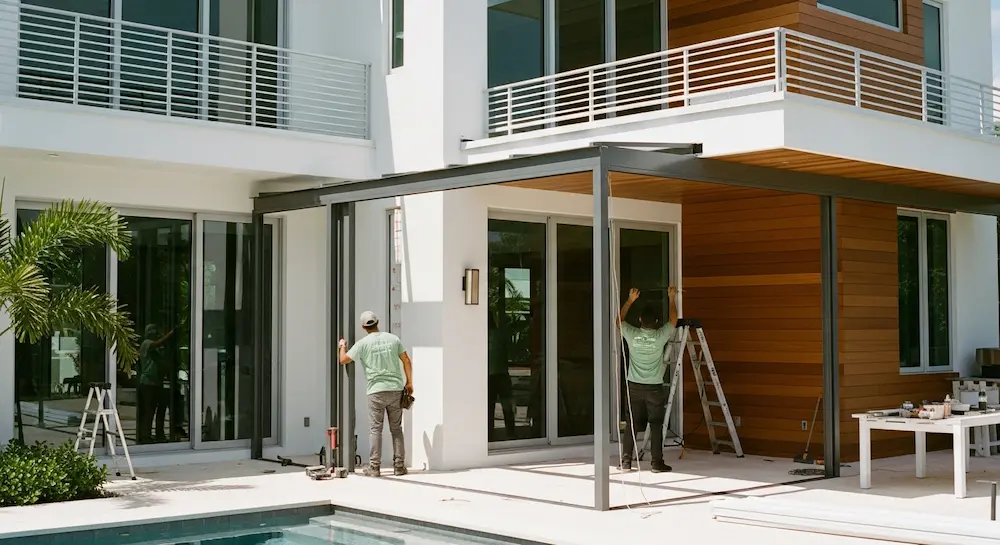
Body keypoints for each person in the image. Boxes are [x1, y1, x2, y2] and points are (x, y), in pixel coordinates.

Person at [339, 311, 413, 477]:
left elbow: (343, 360)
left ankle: (374, 467)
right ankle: (399, 466)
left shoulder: (362, 344)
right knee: (396, 429)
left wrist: (342, 345)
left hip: (375, 391)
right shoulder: (393, 339)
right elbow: (407, 360)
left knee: (375, 430)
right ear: (377, 322)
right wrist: (409, 383)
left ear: (363, 326)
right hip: (395, 389)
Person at [618, 286, 678, 473]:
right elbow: (674, 320)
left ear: (639, 320)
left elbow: (618, 322)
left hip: (634, 386)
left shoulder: (632, 334)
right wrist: (671, 297)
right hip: (654, 387)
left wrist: (630, 300)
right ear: (657, 322)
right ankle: (656, 463)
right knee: (656, 424)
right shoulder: (660, 336)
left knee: (632, 424)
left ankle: (626, 462)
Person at [137, 324, 174, 444]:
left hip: (157, 383)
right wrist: (171, 334)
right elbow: (157, 344)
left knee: (160, 409)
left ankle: (159, 434)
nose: (154, 332)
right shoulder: (146, 343)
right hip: (148, 383)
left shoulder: (156, 347)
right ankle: (145, 436)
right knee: (149, 410)